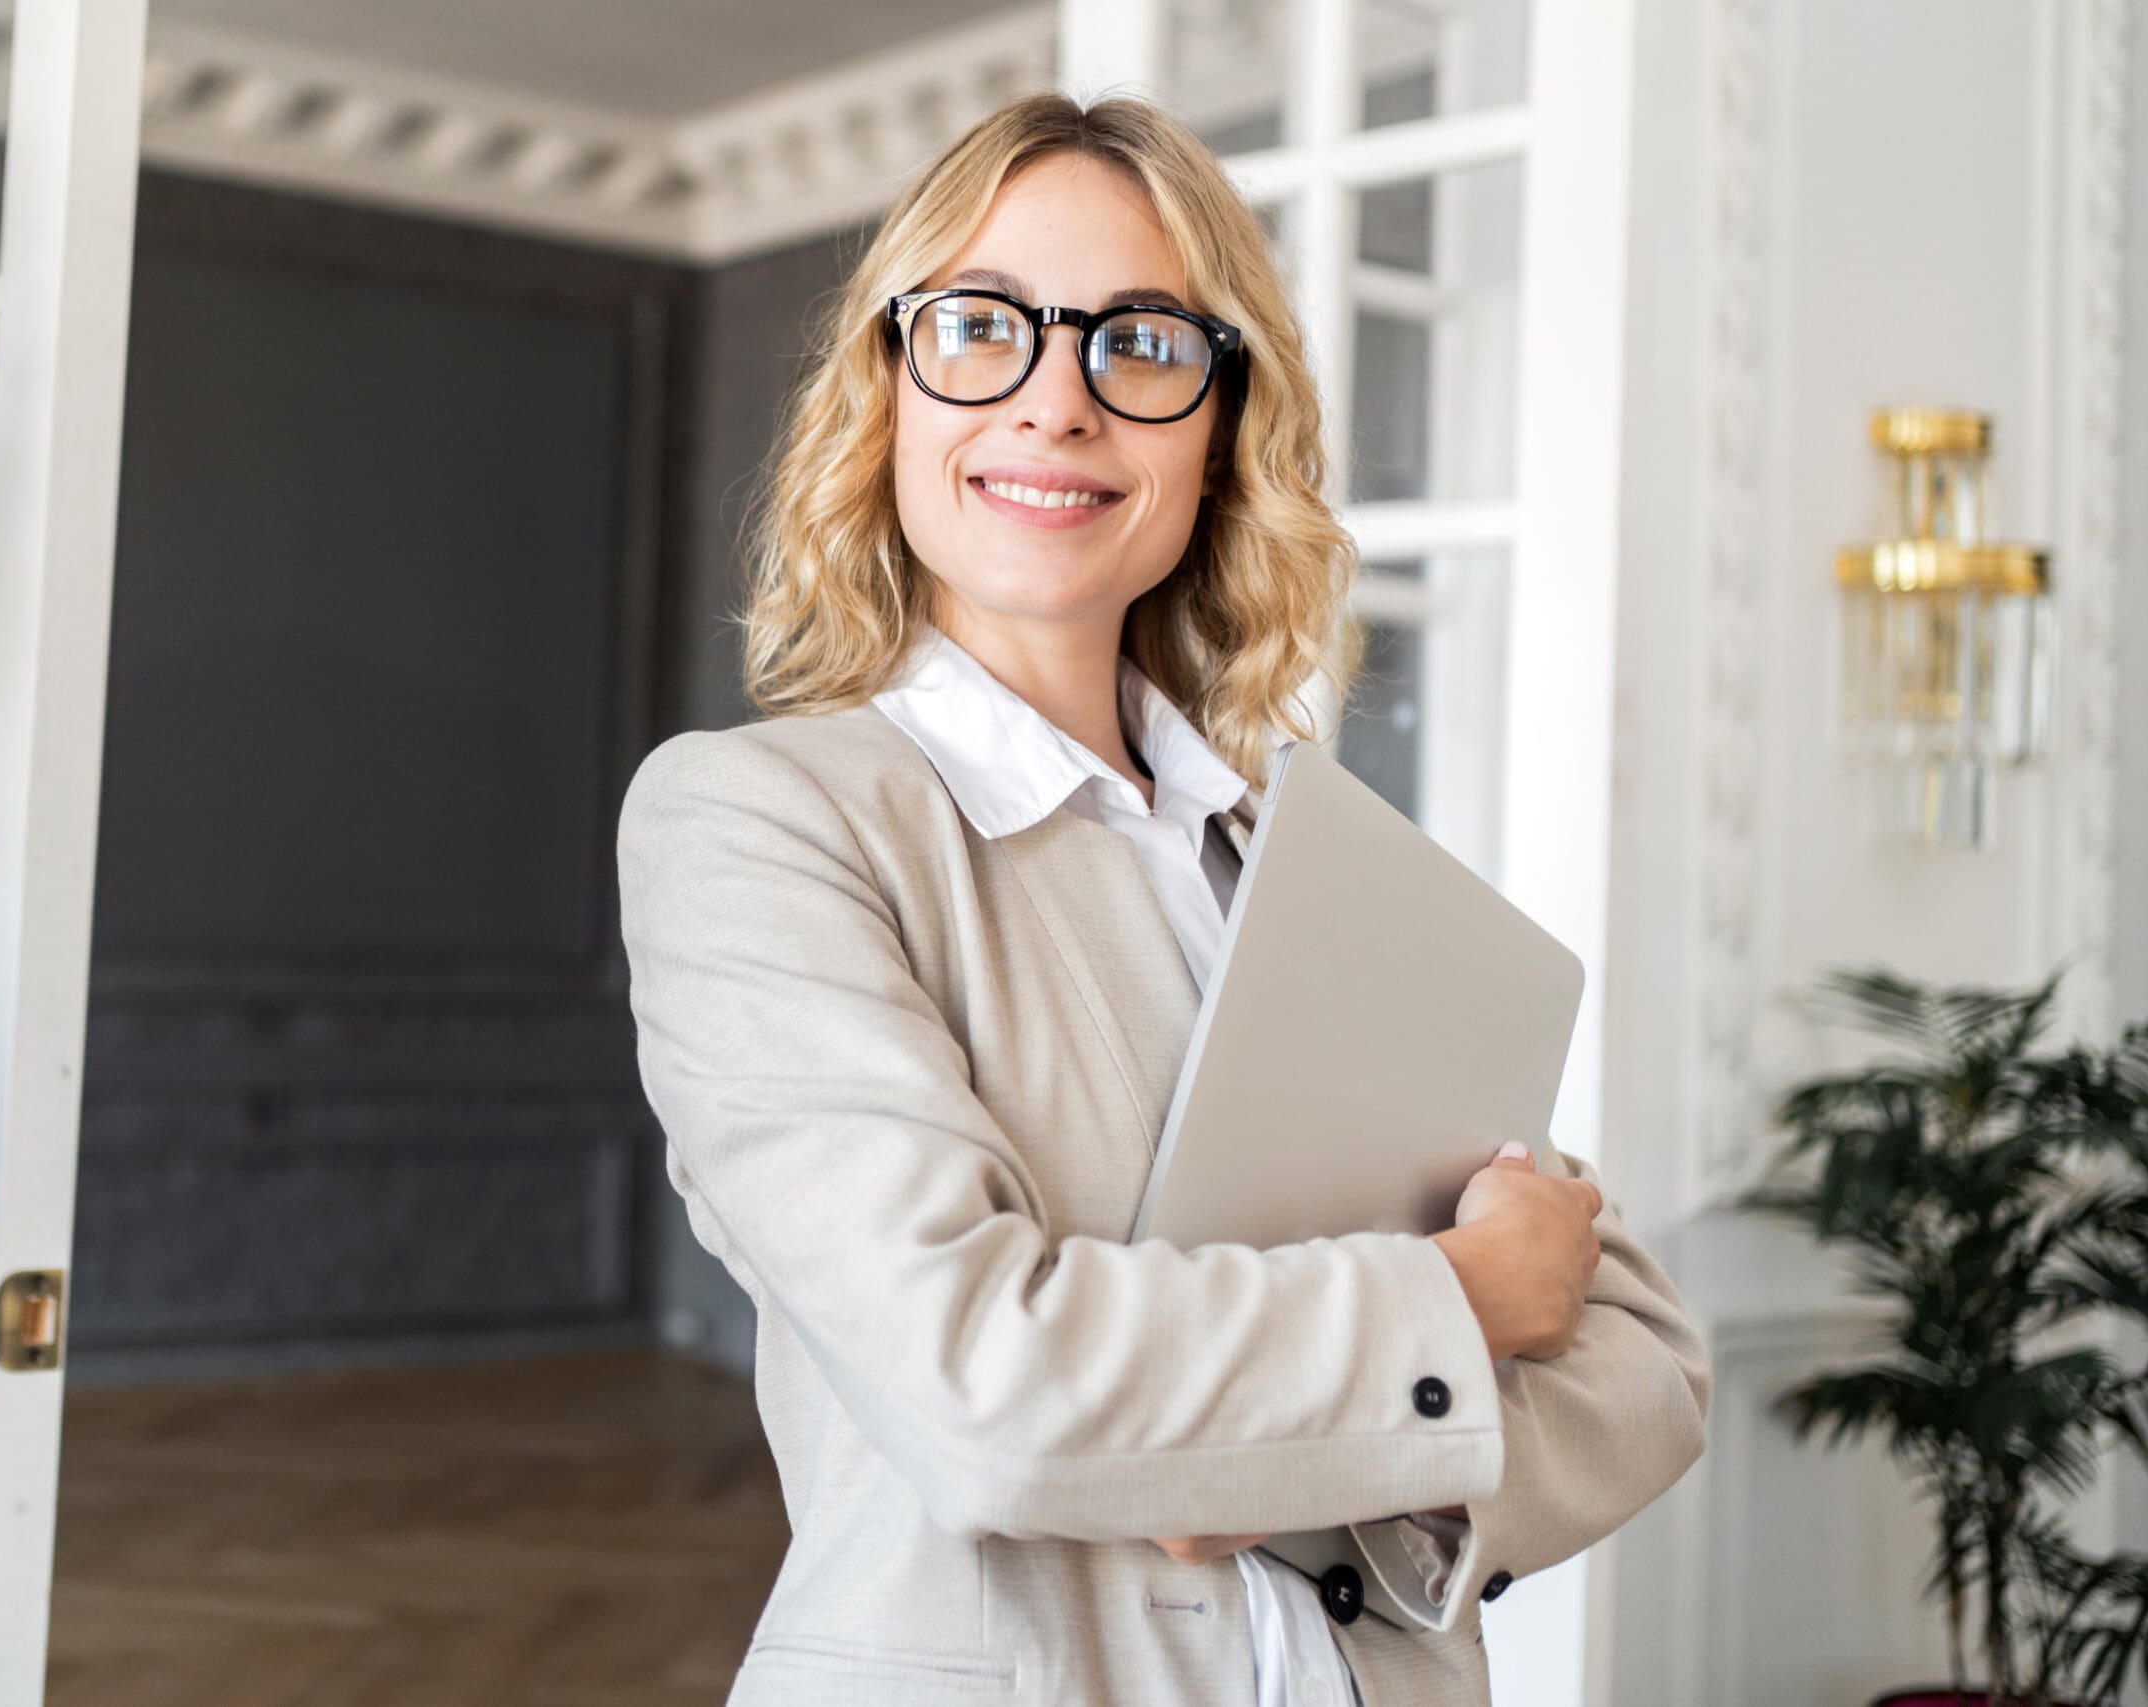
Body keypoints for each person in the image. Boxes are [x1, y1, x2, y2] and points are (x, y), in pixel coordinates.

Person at [616, 91, 1710, 1707]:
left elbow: (1648, 1360)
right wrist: (1458, 1304)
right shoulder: (763, 826)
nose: (1057, 405)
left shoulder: (1307, 864)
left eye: (1138, 343)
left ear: (1218, 422)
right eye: (982, 328)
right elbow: (988, 1386)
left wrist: (1274, 1453)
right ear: (890, 391)